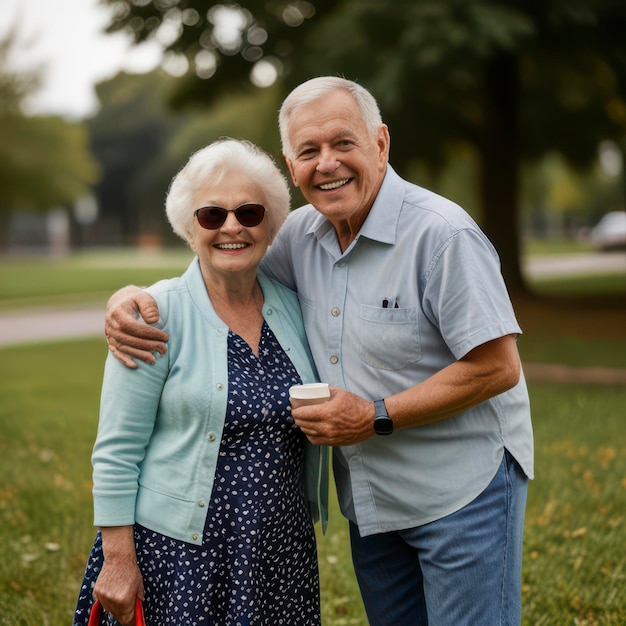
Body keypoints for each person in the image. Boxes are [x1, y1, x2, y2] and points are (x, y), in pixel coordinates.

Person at [105, 77, 534, 626]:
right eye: (309, 151)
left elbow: (497, 367)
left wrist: (374, 416)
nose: (327, 163)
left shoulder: (443, 235)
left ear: (380, 143)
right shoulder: (297, 239)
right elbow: (221, 266)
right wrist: (129, 299)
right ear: (291, 163)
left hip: (462, 489)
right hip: (373, 503)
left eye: (343, 143)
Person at [74, 139, 328, 626]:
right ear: (190, 230)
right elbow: (116, 450)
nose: (232, 226)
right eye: (212, 215)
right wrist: (120, 559)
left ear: (270, 226)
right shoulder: (155, 313)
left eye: (249, 213)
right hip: (181, 556)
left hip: (279, 553)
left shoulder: (296, 307)